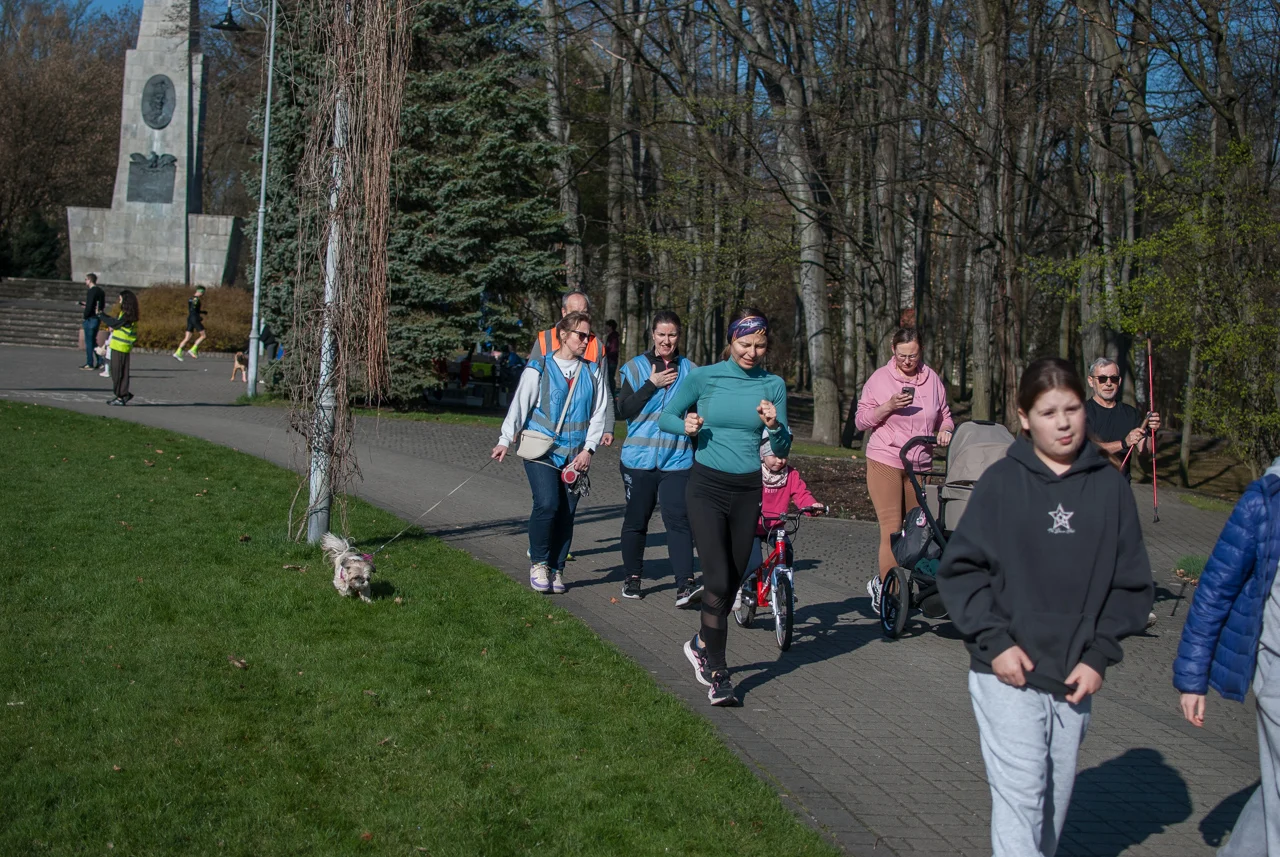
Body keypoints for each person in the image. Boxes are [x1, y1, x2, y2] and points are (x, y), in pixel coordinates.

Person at [936, 357, 1153, 857]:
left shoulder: (1109, 487)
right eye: (1048, 410)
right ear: (1024, 416)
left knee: (1051, 805)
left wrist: (1099, 656)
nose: (1062, 421)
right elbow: (961, 572)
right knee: (1022, 797)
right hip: (1005, 671)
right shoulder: (1002, 483)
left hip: (1074, 673)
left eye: (1072, 409)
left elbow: (1132, 585)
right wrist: (996, 645)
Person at [659, 307, 791, 706]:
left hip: (747, 489)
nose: (752, 352)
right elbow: (666, 416)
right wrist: (686, 426)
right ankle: (719, 672)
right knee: (717, 580)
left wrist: (774, 426)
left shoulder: (774, 385)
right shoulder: (704, 377)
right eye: (744, 343)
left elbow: (782, 448)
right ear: (730, 340)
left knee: (734, 579)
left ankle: (701, 642)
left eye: (760, 345)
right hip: (706, 487)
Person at [1174, 458, 1280, 856]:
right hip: (1276, 668)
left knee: (1272, 788)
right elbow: (1215, 589)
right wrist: (1192, 677)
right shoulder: (1266, 499)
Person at [493, 311, 610, 595]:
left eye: (589, 336)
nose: (585, 341)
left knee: (567, 513)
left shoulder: (592, 371)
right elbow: (520, 404)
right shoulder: (540, 367)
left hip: (576, 455)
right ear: (564, 335)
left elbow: (599, 413)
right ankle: (540, 562)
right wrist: (505, 439)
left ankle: (557, 568)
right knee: (547, 504)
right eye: (581, 335)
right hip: (542, 450)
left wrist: (588, 450)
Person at [855, 327, 954, 612]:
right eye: (902, 355)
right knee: (892, 529)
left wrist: (946, 430)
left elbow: (945, 415)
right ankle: (890, 593)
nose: (908, 361)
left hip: (920, 464)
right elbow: (861, 420)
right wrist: (887, 407)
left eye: (913, 355)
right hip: (885, 458)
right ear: (892, 350)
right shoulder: (880, 379)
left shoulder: (932, 379)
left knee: (920, 532)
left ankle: (923, 590)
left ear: (921, 351)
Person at [615, 310, 699, 605]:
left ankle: (685, 585)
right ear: (652, 335)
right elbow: (622, 410)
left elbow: (697, 412)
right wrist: (652, 384)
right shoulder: (635, 367)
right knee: (637, 520)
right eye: (661, 335)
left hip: (677, 459)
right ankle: (632, 578)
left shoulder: (691, 370)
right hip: (638, 459)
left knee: (678, 519)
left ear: (679, 337)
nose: (666, 341)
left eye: (672, 335)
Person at [529, 291, 613, 447]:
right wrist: (516, 425)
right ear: (564, 313)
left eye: (584, 312)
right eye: (575, 313)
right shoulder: (545, 340)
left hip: (577, 437)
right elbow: (528, 387)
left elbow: (604, 391)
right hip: (542, 433)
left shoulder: (596, 346)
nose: (580, 317)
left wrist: (608, 427)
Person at [1084, 357, 1161, 482]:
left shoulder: (1131, 413)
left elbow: (1145, 451)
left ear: (1119, 381)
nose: (1108, 383)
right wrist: (1123, 443)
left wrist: (1152, 432)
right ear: (1091, 381)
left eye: (1113, 379)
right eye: (1102, 379)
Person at [100, 290, 140, 406]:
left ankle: (122, 395)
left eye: (121, 298)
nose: (119, 301)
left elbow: (115, 324)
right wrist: (101, 314)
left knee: (118, 373)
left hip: (121, 347)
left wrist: (101, 315)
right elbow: (115, 322)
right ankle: (121, 395)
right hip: (119, 346)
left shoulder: (128, 316)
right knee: (118, 372)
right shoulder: (126, 313)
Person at [78, 273, 106, 370]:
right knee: (93, 340)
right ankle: (100, 361)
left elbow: (90, 306)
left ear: (89, 280)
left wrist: (85, 316)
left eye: (86, 279)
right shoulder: (100, 291)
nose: (85, 281)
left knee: (89, 342)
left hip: (90, 319)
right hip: (97, 318)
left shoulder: (91, 291)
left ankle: (89, 363)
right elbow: (100, 306)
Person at [173, 286, 207, 361]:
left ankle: (178, 352)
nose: (203, 295)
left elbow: (192, 309)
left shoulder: (190, 299)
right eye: (203, 293)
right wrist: (198, 317)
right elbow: (194, 309)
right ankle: (193, 349)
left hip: (190, 318)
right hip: (194, 318)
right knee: (203, 336)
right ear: (200, 292)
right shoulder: (196, 299)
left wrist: (202, 312)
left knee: (187, 338)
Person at [604, 319, 620, 396]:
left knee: (610, 378)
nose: (605, 328)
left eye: (607, 326)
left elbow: (613, 349)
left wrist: (606, 354)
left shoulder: (613, 337)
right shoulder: (611, 336)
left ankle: (611, 394)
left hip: (611, 361)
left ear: (610, 327)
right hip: (610, 360)